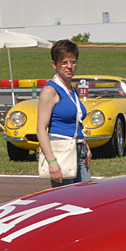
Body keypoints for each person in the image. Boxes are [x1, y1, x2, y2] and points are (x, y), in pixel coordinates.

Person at [36, 39, 91, 187]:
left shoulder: (73, 91)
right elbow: (41, 130)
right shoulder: (50, 91)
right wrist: (52, 161)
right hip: (61, 150)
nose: (69, 67)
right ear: (54, 64)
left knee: (86, 198)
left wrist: (85, 146)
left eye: (73, 62)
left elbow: (76, 122)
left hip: (79, 149)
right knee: (67, 201)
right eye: (64, 63)